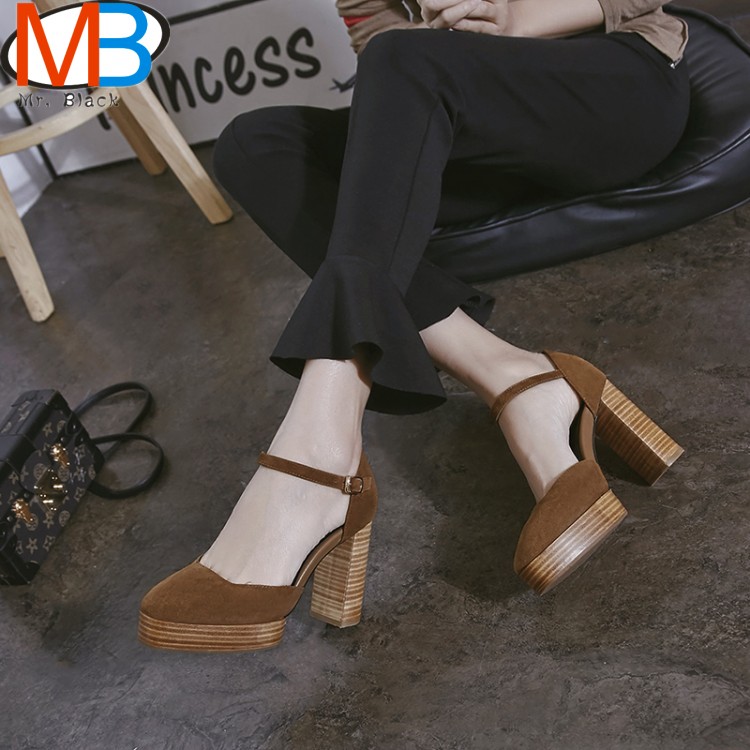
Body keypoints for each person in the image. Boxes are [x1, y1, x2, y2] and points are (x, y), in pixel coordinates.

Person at [137, 0, 690, 652]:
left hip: (612, 92)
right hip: (477, 120)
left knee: (403, 58)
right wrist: (440, 36)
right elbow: (375, 28)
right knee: (254, 143)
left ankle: (318, 453)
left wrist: (513, 20)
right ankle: (513, 375)